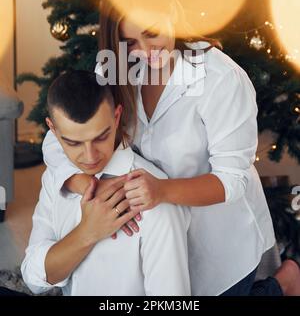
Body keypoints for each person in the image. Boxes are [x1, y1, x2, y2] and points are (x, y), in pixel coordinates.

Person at [41, 0, 299, 295]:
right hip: (158, 236)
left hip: (219, 239)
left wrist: (161, 191)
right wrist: (91, 185)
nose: (145, 51)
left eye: (152, 32)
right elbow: (59, 139)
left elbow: (233, 180)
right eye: (130, 42)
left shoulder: (221, 78)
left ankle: (284, 284)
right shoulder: (115, 70)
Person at [21, 71, 191, 296]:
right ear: (53, 129)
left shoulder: (154, 203)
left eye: (101, 137)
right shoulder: (58, 178)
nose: (90, 157)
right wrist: (87, 233)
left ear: (117, 116)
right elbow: (34, 278)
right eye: (73, 143)